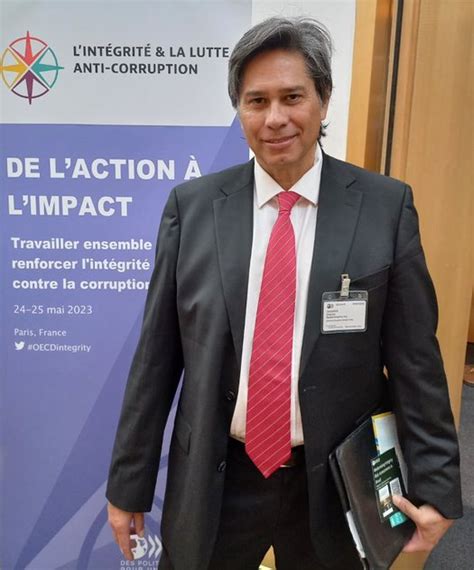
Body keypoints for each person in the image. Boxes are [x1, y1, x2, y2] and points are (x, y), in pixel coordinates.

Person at [106, 16, 462, 570]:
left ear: (323, 100)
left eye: (292, 97)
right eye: (257, 101)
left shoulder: (384, 208)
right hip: (218, 477)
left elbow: (416, 359)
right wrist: (129, 484)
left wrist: (437, 485)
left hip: (336, 483)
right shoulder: (193, 209)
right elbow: (156, 359)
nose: (275, 118)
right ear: (240, 110)